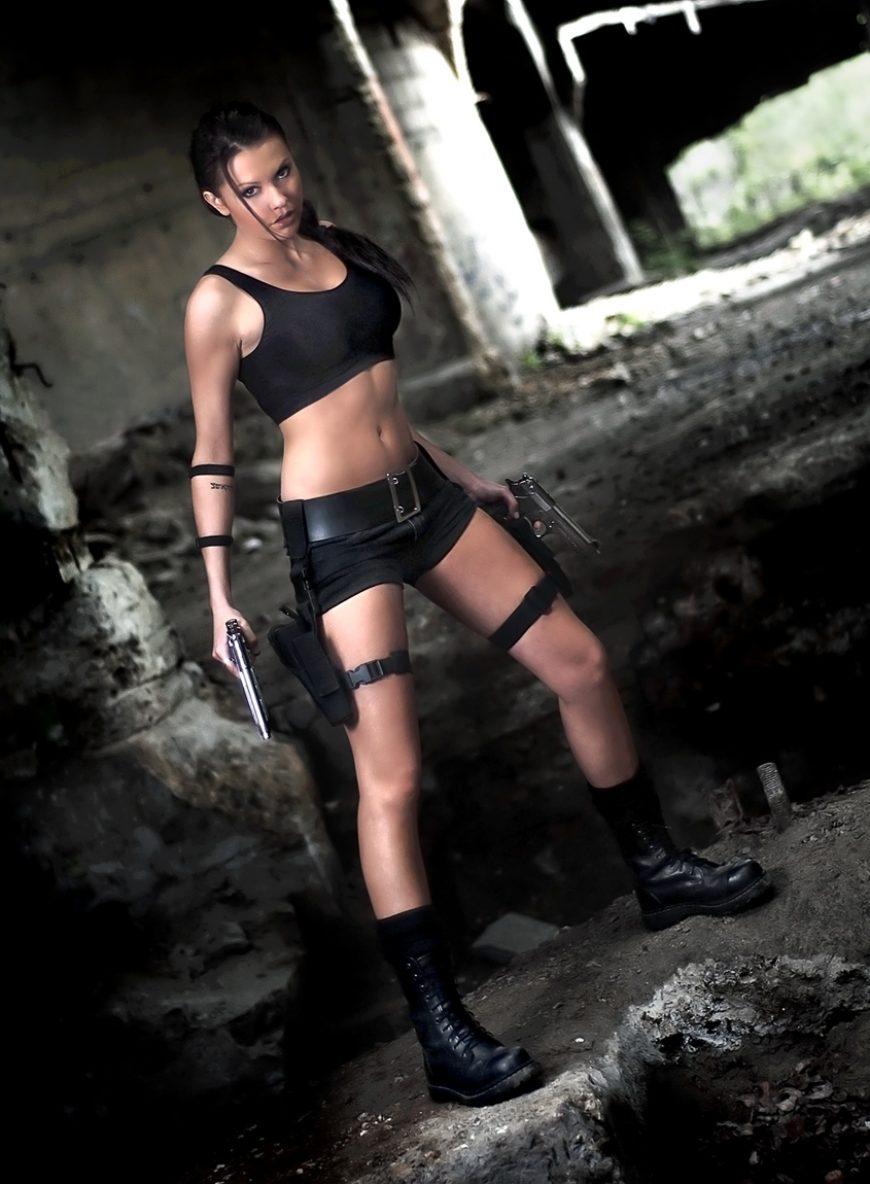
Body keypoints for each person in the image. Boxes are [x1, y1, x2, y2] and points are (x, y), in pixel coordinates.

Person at [184, 101, 774, 1109]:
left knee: (580, 662)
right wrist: (216, 596)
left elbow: (384, 403)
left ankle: (659, 870)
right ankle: (441, 1032)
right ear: (215, 199)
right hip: (341, 537)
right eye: (252, 188)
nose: (277, 197)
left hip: (428, 502)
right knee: (392, 777)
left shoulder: (333, 245)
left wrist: (466, 478)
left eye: (283, 172)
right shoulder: (219, 301)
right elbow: (211, 456)